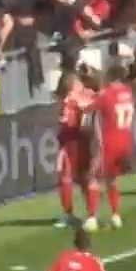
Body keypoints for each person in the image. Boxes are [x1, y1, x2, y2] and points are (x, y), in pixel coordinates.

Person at [92, 61, 136, 230]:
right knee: (112, 179)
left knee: (94, 178)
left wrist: (98, 141)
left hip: (110, 142)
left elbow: (94, 113)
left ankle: (92, 217)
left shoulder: (106, 95)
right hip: (126, 141)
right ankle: (115, 215)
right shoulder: (128, 92)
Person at [55, 70, 96, 229]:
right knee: (77, 178)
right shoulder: (72, 100)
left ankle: (79, 214)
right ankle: (86, 215)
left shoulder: (72, 101)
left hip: (77, 143)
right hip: (76, 142)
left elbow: (67, 124)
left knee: (76, 178)